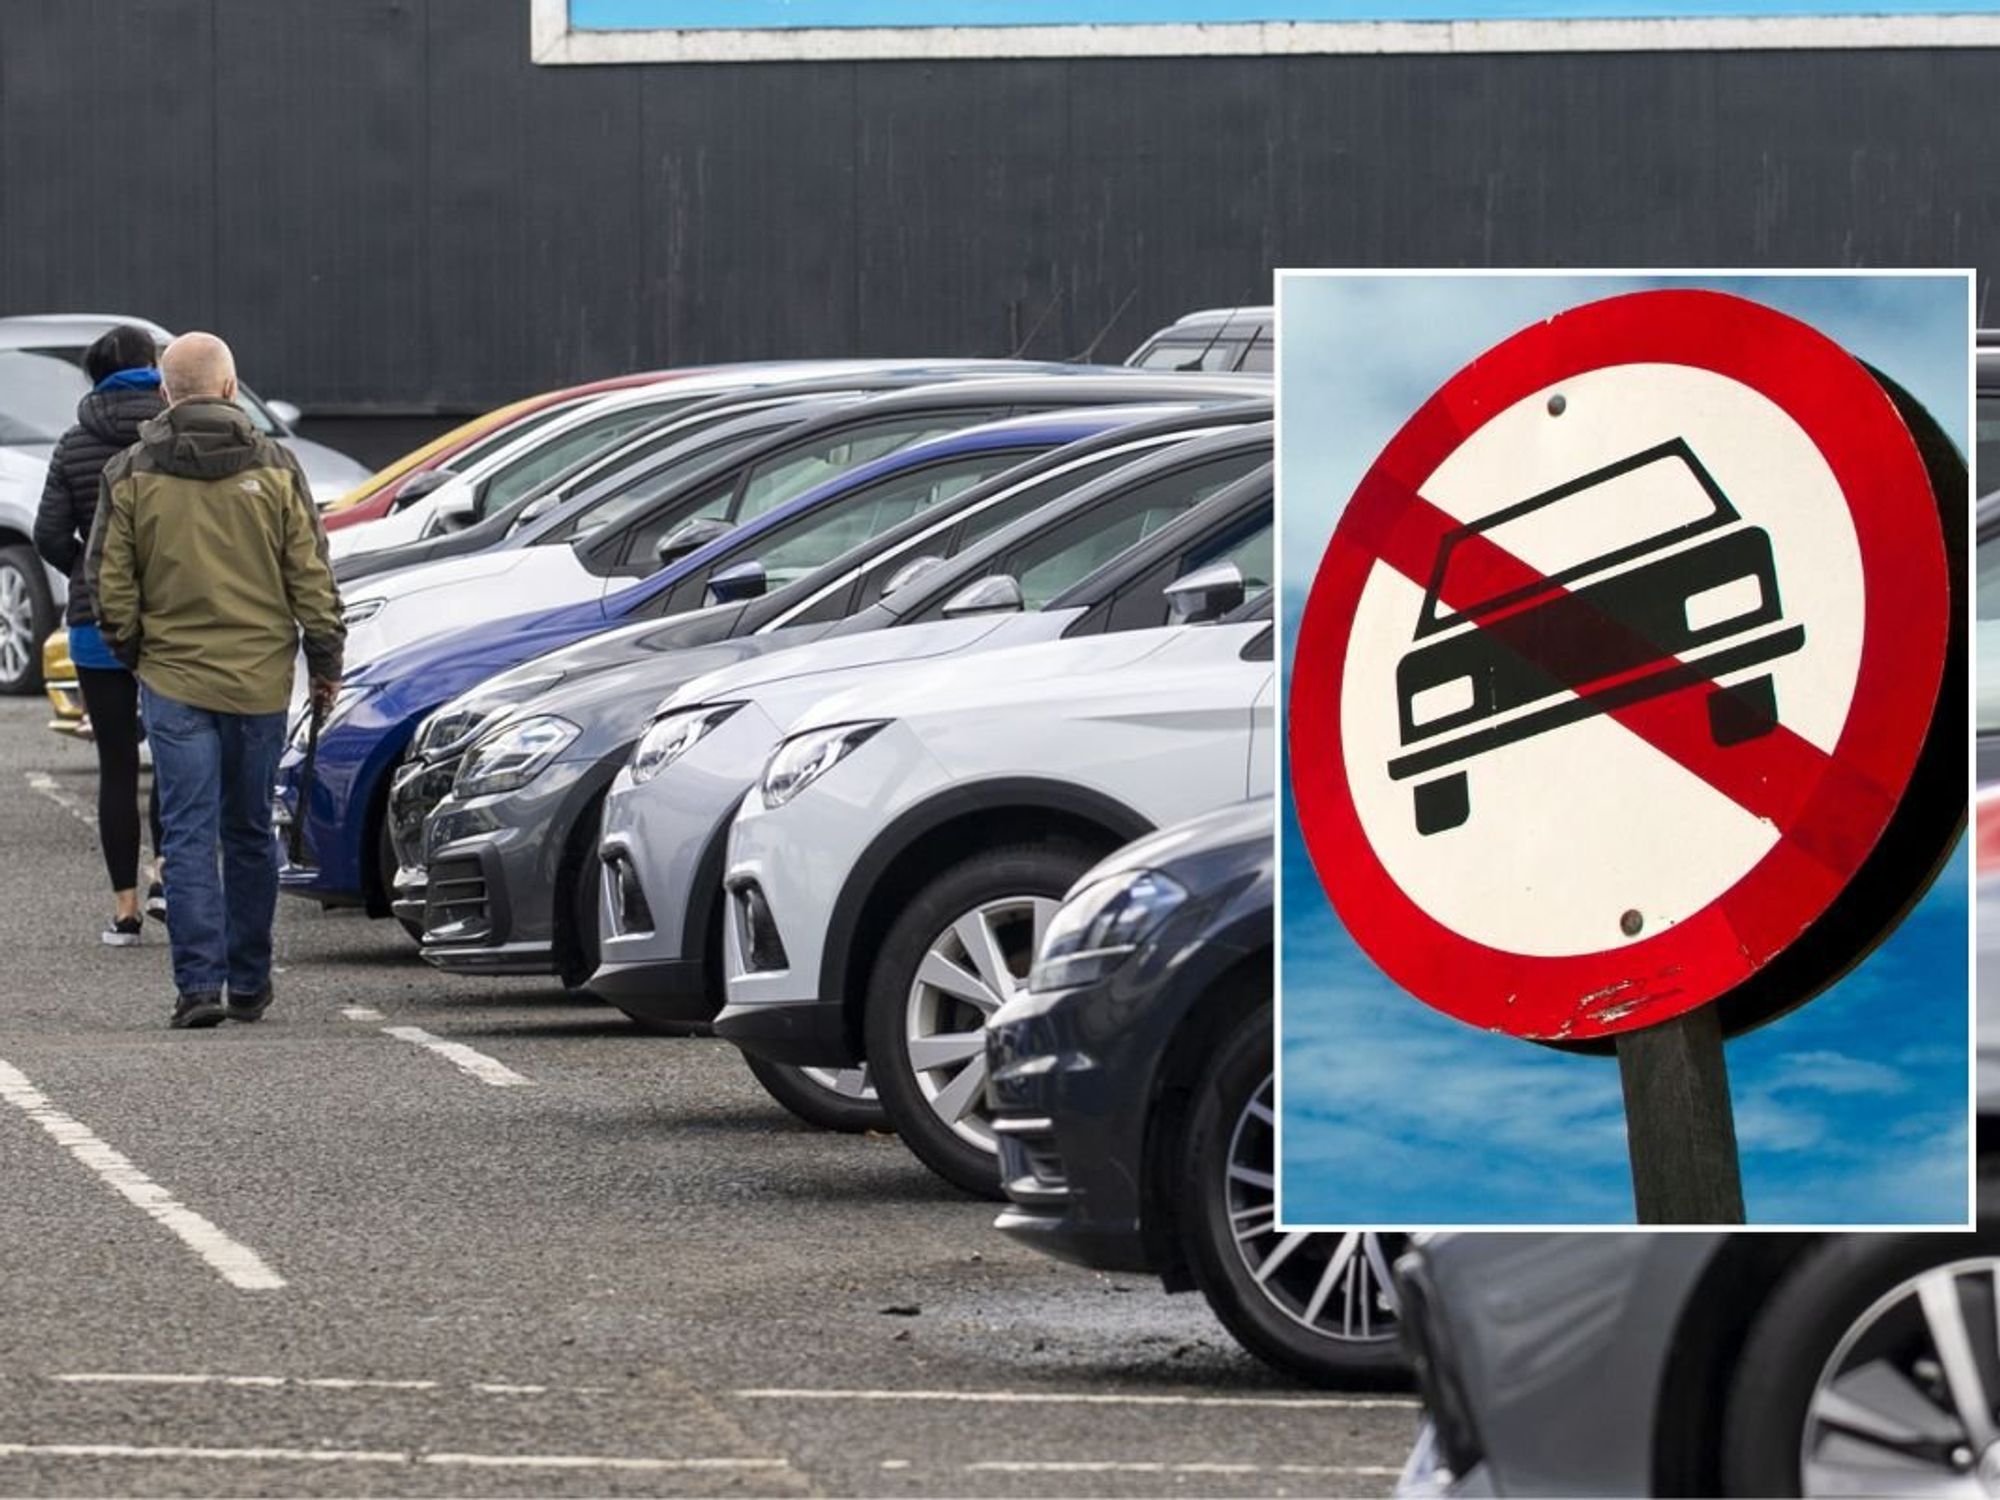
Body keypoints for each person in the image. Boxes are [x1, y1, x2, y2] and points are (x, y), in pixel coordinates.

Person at [87, 332, 344, 1030]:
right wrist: (324, 661)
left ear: (167, 394)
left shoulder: (131, 471)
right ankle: (251, 981)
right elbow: (310, 577)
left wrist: (136, 649)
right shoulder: (278, 467)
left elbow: (108, 583)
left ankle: (198, 985)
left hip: (172, 677)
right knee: (251, 829)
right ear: (231, 389)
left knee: (189, 833)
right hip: (259, 679)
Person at [33, 324, 169, 944]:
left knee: (116, 766)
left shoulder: (73, 443)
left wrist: (88, 574)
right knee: (175, 758)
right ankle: (169, 877)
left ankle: (123, 911)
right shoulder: (173, 434)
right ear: (152, 366)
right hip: (173, 620)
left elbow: (48, 535)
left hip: (96, 624)